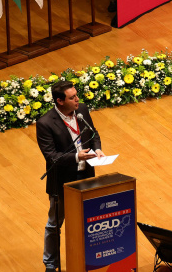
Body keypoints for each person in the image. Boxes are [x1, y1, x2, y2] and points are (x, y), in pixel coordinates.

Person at [36, 80, 104, 272]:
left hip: (87, 176)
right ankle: (50, 264)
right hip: (63, 181)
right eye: (72, 97)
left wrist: (97, 149)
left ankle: (88, 258)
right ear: (59, 101)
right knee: (54, 224)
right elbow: (51, 157)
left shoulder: (81, 110)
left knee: (89, 221)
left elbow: (93, 134)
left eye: (76, 95)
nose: (77, 99)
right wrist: (76, 156)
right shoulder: (45, 123)